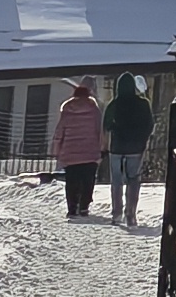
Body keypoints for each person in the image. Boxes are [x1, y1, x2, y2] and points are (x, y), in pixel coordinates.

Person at [104, 73, 154, 233]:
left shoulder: (114, 104)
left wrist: (115, 129)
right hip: (135, 148)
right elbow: (149, 124)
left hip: (117, 147)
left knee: (116, 181)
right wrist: (142, 139)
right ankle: (131, 214)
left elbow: (106, 124)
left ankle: (116, 213)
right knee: (133, 180)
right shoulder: (143, 104)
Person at [53, 79, 103, 220]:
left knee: (72, 181)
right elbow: (99, 131)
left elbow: (60, 131)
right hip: (90, 151)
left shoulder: (67, 110)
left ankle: (72, 208)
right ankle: (84, 206)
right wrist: (102, 148)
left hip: (70, 152)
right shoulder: (94, 110)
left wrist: (57, 150)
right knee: (88, 180)